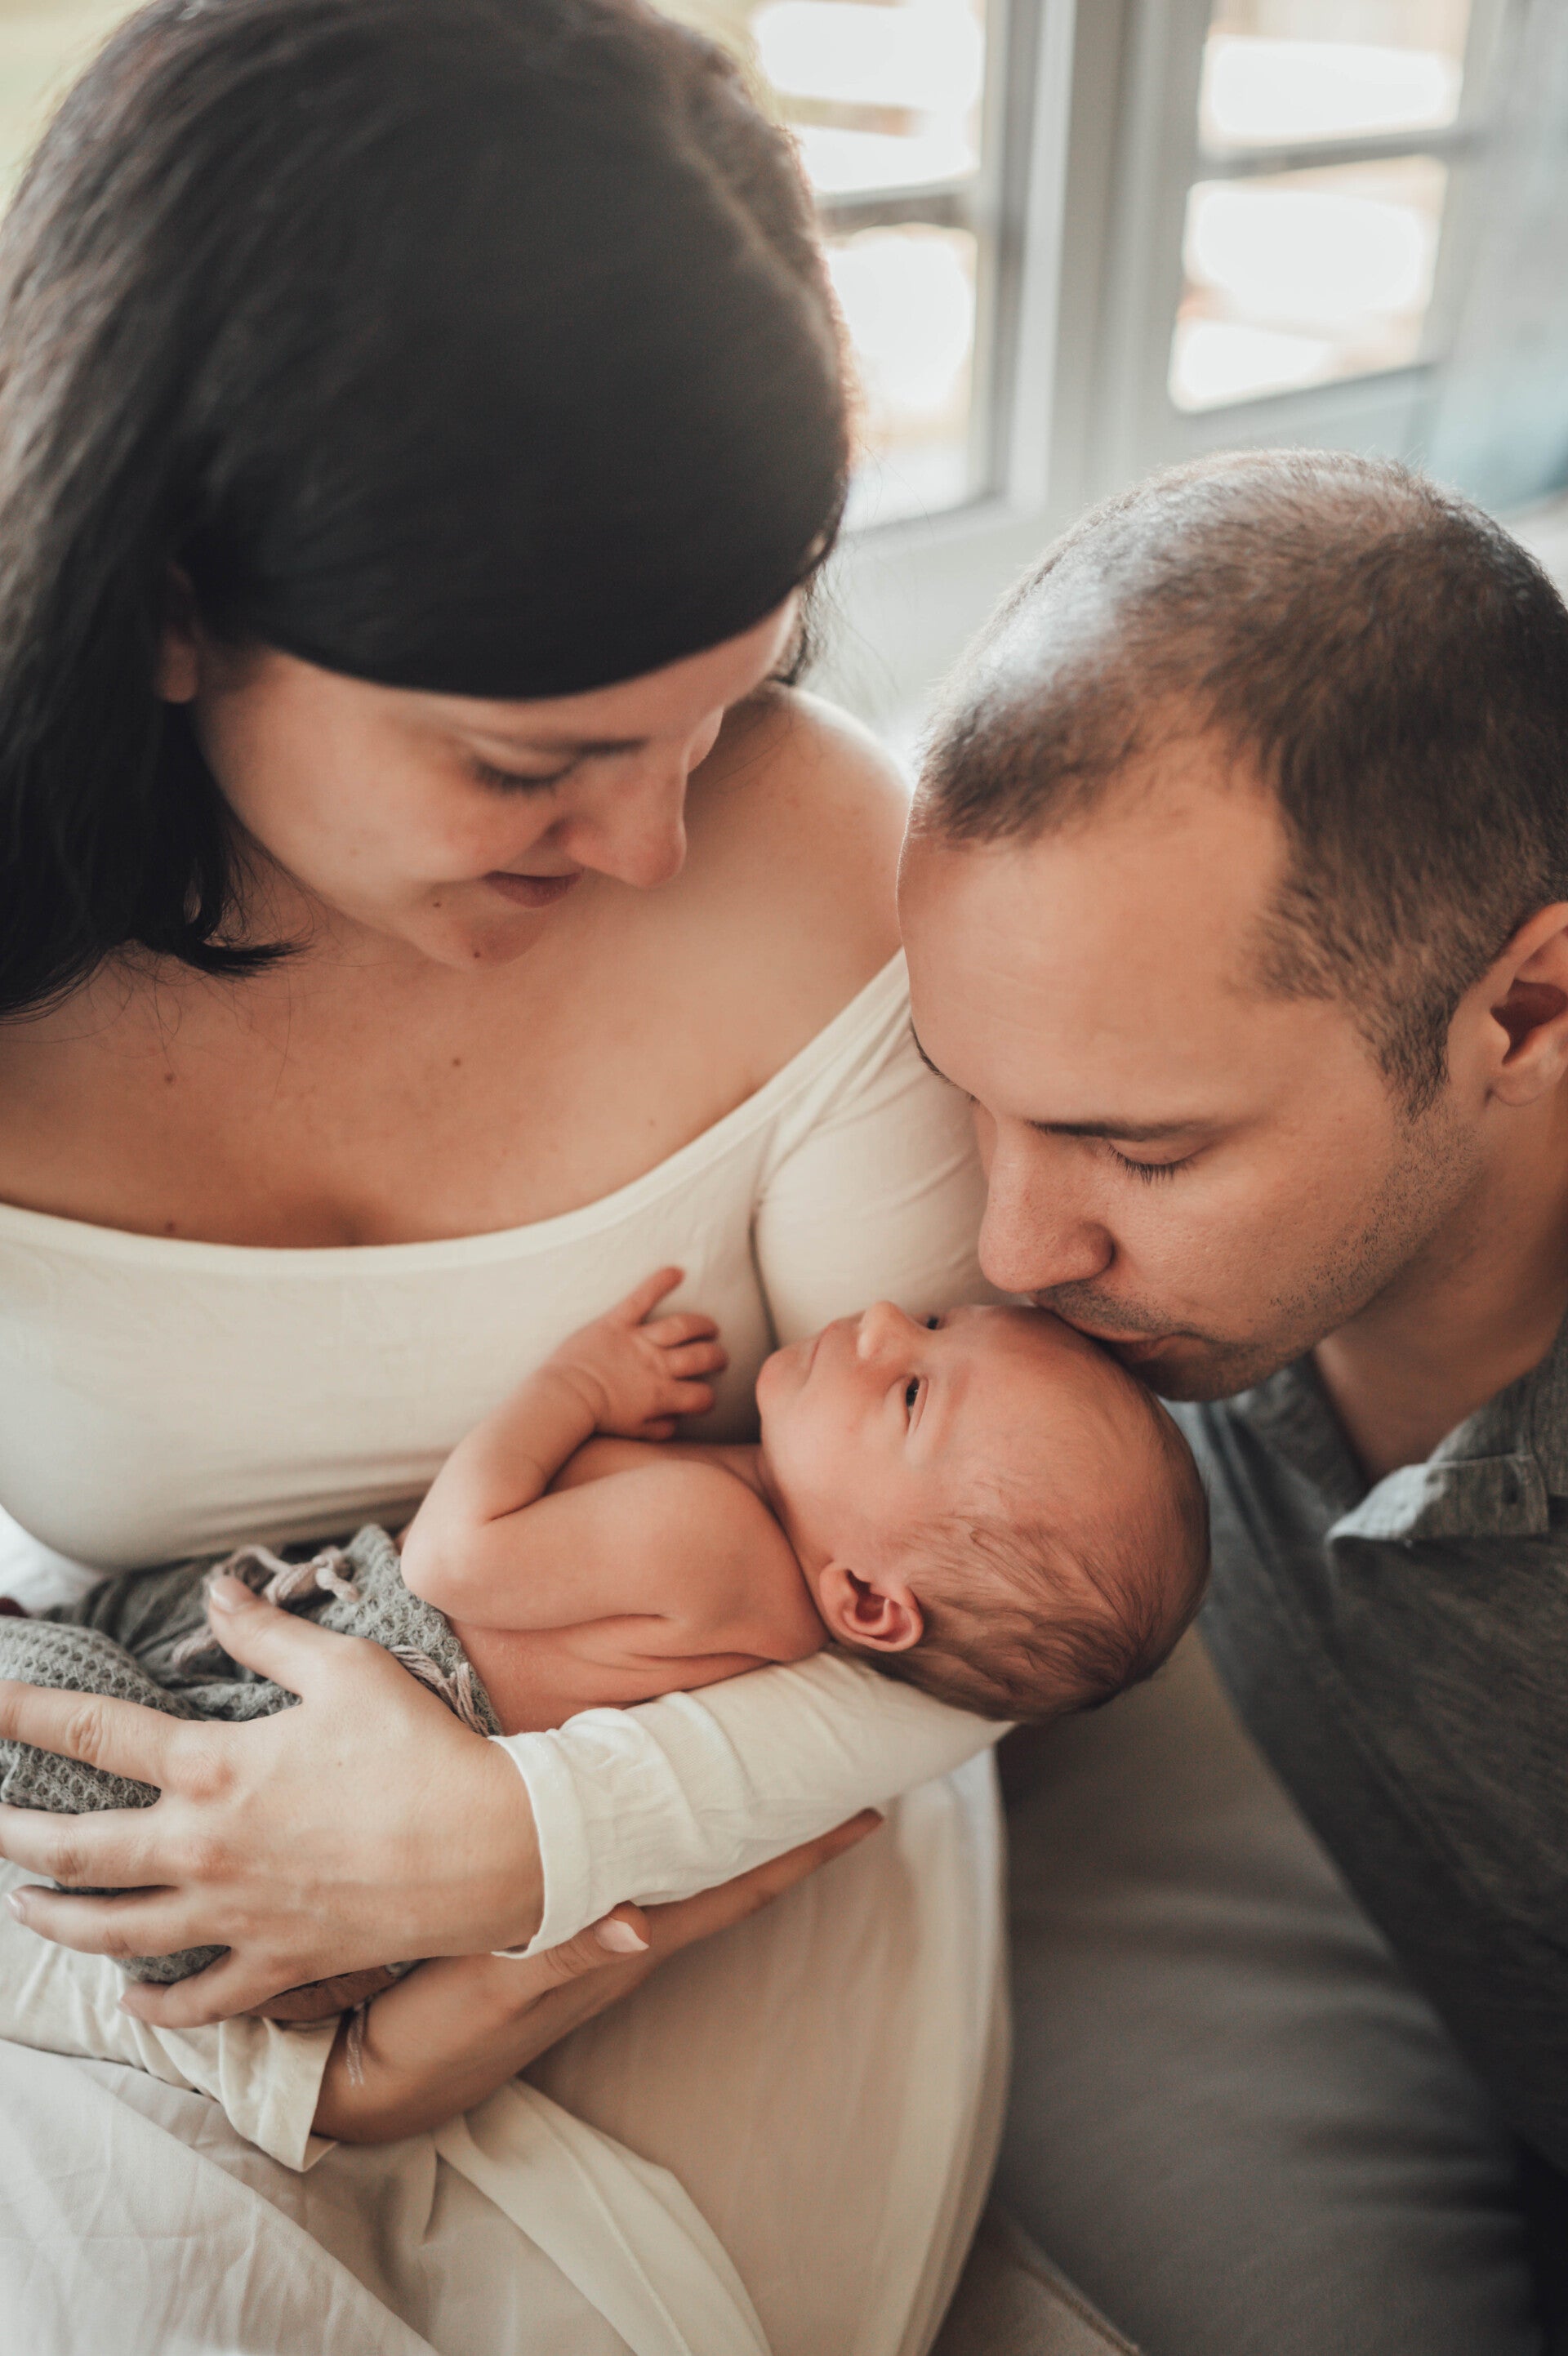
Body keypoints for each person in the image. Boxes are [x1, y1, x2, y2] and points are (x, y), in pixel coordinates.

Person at [0, 3, 1015, 2350]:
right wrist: (281, 2051)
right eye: (531, 763)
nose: (655, 839)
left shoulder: (811, 857)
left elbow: (988, 1607)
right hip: (147, 1905)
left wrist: (514, 1847)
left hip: (714, 1854)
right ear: (166, 606)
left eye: (717, 707)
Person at [898, 448, 1568, 2354]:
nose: (1014, 1248)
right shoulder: (1155, 1312)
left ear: (1521, 1015)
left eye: (1143, 1152)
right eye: (974, 1094)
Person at [0, 1272, 1206, 2158]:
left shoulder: (717, 1539)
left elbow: (453, 1559)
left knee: (44, 1708)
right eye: (938, 1322)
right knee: (72, 1653)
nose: (889, 1315)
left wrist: (576, 1386)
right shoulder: (757, 1587)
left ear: (870, 1602)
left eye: (907, 1391)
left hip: (276, 1745)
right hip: (294, 1750)